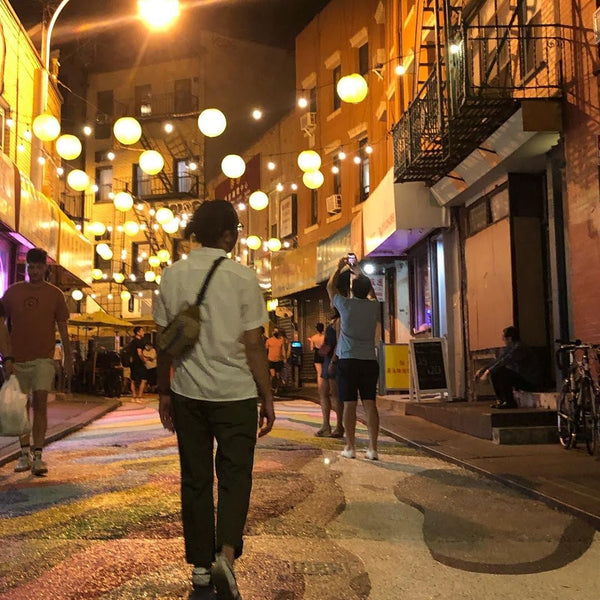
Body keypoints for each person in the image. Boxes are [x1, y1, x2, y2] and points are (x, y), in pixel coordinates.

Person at [154, 199, 275, 599]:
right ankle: (226, 553)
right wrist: (267, 396)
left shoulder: (171, 276)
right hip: (236, 394)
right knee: (236, 475)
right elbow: (255, 344)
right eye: (237, 230)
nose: (239, 236)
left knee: (196, 479)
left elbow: (164, 344)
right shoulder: (243, 278)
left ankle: (201, 569)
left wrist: (163, 392)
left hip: (188, 392)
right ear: (226, 234)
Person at [0, 247, 72, 476]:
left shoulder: (55, 294)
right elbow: (1, 324)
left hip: (43, 358)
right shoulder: (12, 293)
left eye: (39, 267)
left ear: (45, 268)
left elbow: (63, 328)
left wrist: (68, 357)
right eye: (31, 267)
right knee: (21, 409)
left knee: (40, 403)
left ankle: (38, 455)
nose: (35, 271)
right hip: (17, 359)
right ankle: (24, 455)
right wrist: (6, 356)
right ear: (27, 267)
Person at [327, 257, 380, 460]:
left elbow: (330, 286)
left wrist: (339, 266)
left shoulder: (345, 305)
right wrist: (357, 269)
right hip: (369, 360)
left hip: (348, 360)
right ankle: (373, 448)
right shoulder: (373, 306)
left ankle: (350, 447)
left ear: (352, 288)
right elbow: (372, 292)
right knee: (370, 404)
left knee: (349, 404)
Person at [476, 326, 540, 409]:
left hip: (529, 381)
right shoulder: (510, 348)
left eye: (504, 338)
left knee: (502, 371)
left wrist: (488, 371)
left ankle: (509, 401)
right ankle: (501, 400)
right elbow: (499, 360)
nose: (503, 340)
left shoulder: (519, 348)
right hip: (521, 378)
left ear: (509, 338)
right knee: (496, 371)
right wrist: (483, 370)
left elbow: (505, 360)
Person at [316, 310, 344, 438]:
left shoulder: (340, 321)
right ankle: (326, 425)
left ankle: (339, 426)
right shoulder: (333, 321)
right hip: (328, 360)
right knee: (323, 393)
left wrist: (333, 360)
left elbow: (339, 342)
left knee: (335, 395)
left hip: (334, 360)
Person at [129, 326, 148, 402]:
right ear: (138, 332)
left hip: (133, 362)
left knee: (133, 380)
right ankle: (140, 396)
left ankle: (134, 396)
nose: (143, 332)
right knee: (144, 379)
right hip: (139, 362)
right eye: (142, 331)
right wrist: (144, 360)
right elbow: (139, 353)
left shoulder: (133, 341)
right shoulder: (139, 342)